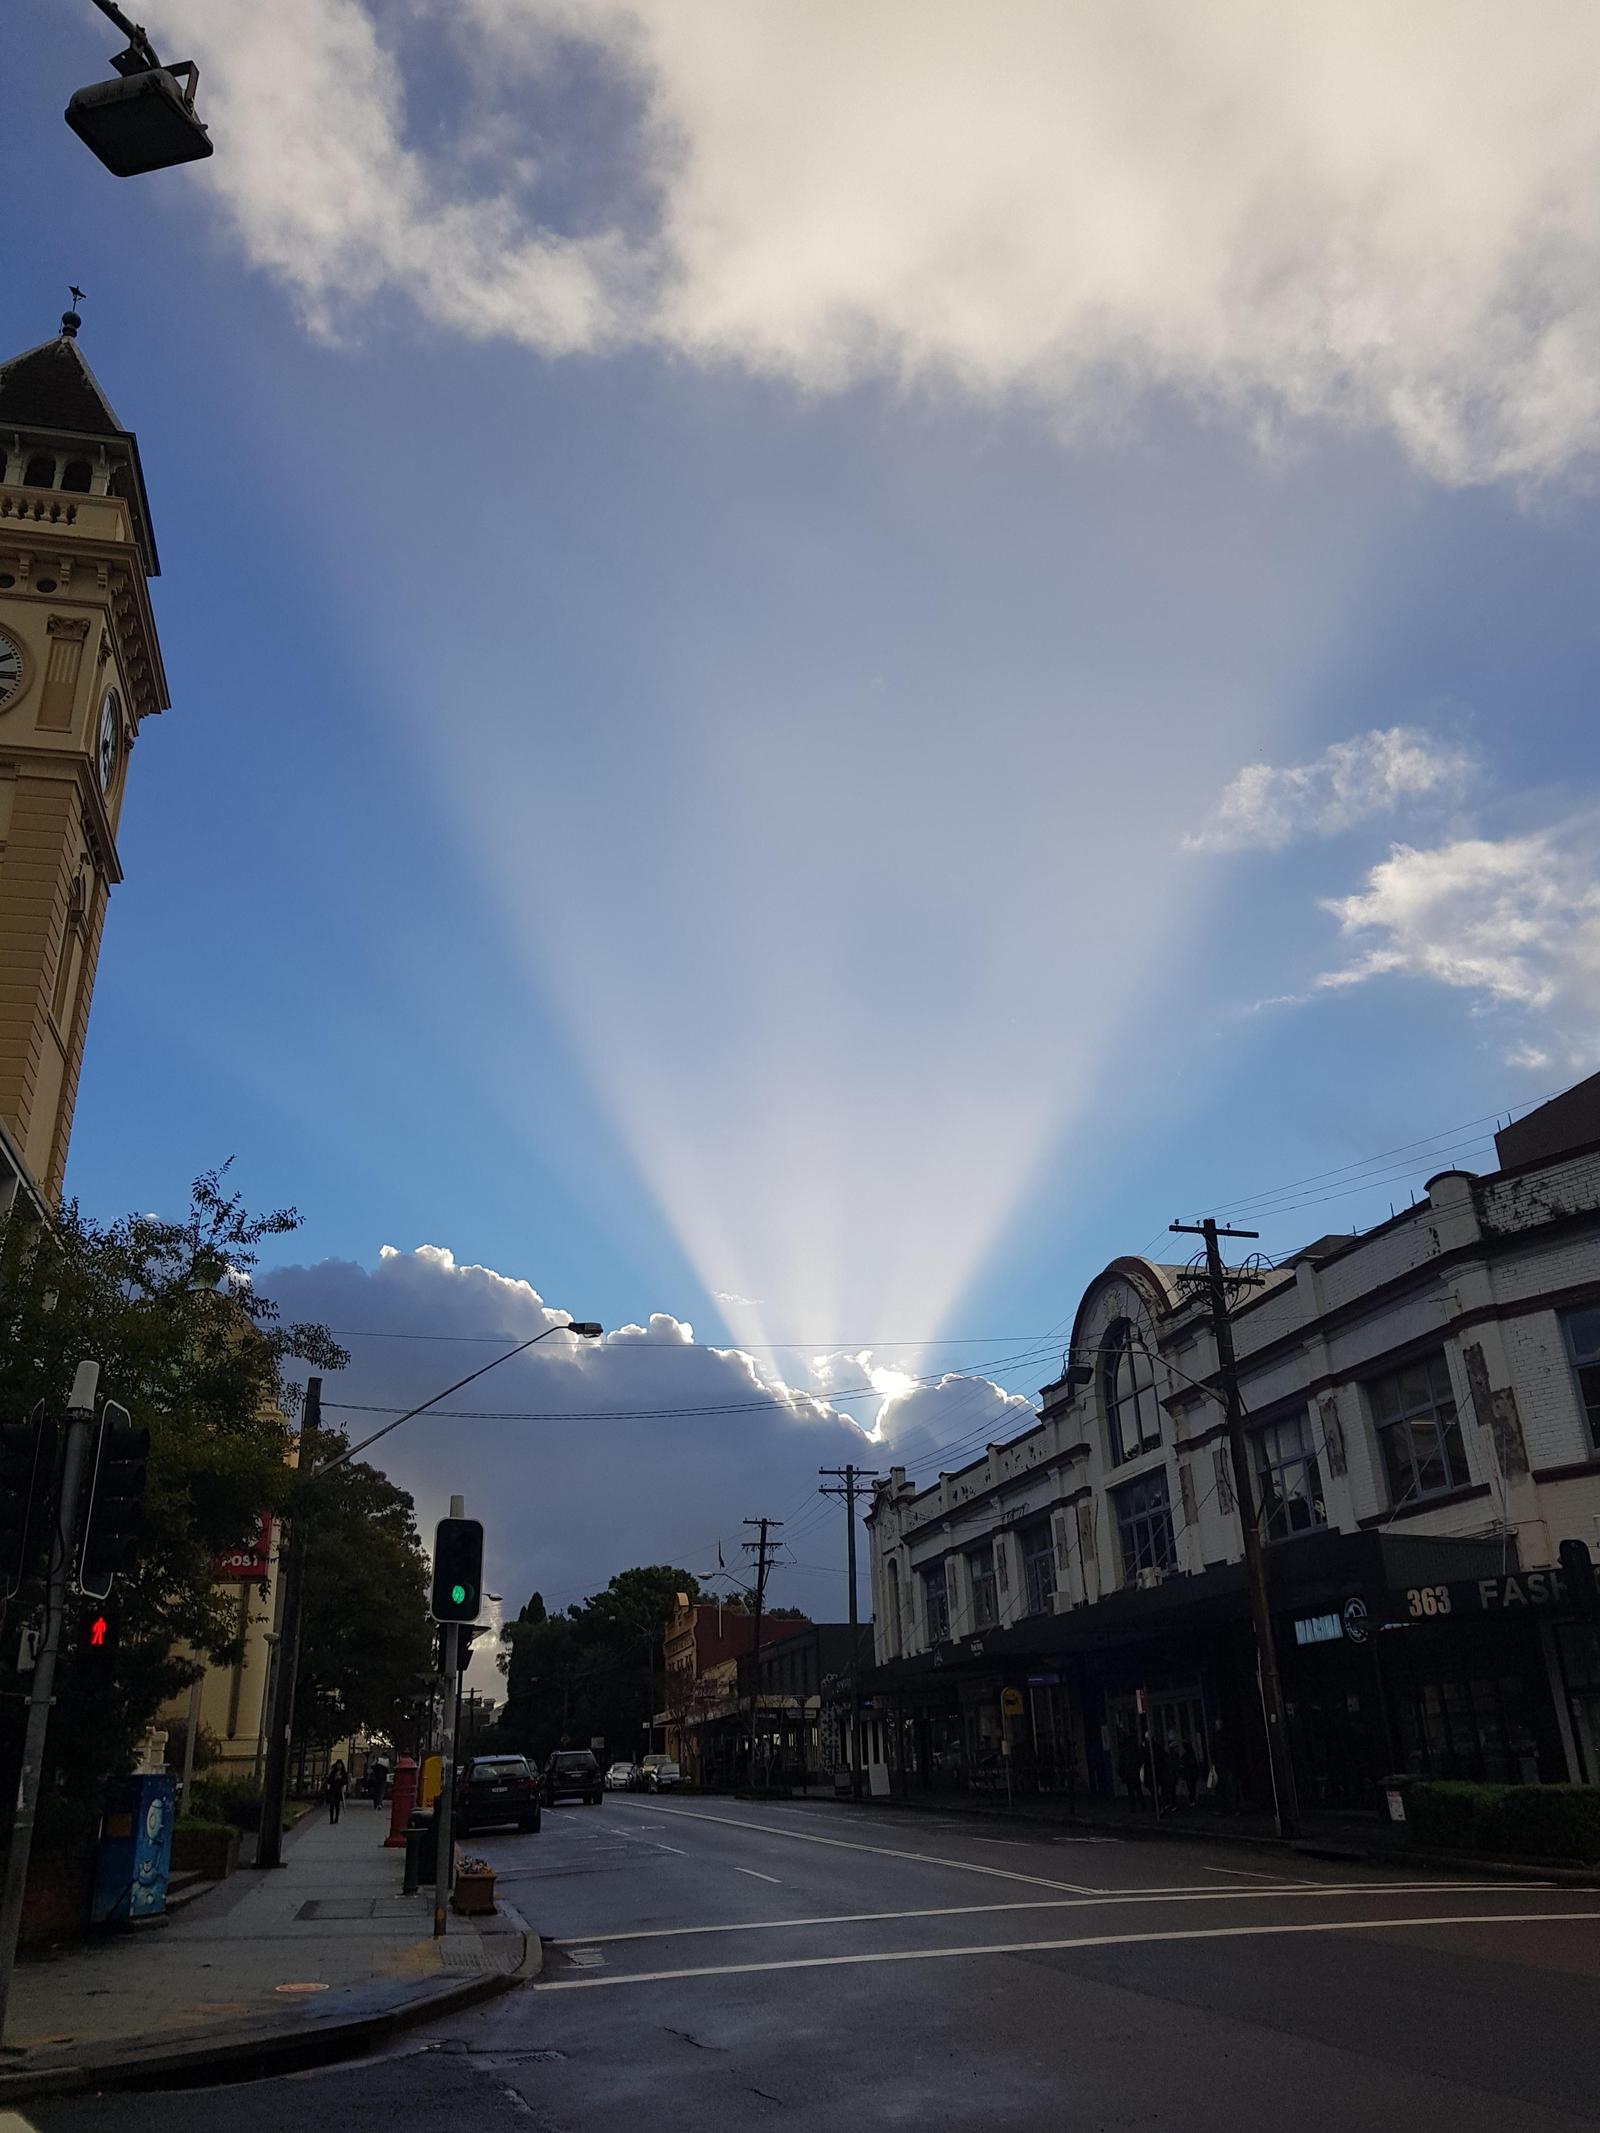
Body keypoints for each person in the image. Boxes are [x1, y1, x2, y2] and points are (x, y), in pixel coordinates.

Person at [1179, 1735, 1200, 1808]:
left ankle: (1192, 1800)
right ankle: (1193, 1799)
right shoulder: (1191, 1754)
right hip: (1192, 1773)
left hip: (1189, 1773)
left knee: (1190, 1787)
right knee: (1192, 1787)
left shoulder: (1186, 1755)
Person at [326, 1758, 348, 1824]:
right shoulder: (333, 1772)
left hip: (339, 1791)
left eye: (340, 1765)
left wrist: (341, 1779)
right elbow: (329, 1781)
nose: (339, 1766)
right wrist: (335, 1778)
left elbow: (345, 1782)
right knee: (332, 1805)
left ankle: (336, 1818)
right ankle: (331, 1819)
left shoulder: (343, 1773)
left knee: (337, 1805)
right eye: (338, 1764)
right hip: (332, 1790)